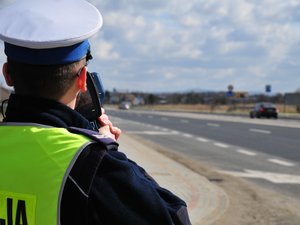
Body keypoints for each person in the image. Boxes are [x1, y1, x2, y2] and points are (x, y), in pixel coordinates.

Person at [0, 1, 192, 225]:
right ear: (82, 79)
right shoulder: (93, 166)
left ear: (7, 74)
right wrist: (109, 152)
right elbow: (173, 218)